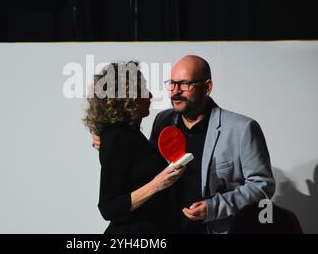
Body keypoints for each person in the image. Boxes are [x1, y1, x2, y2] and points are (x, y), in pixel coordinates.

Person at [93, 55, 276, 234]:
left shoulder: (241, 128)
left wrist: (214, 208)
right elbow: (141, 168)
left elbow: (262, 185)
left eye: (184, 84)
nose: (175, 91)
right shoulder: (162, 120)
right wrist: (107, 139)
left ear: (207, 87)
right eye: (172, 83)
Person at [84, 62, 185, 233]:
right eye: (145, 90)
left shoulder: (127, 134)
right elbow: (108, 207)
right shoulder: (117, 137)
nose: (151, 95)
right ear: (128, 97)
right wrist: (157, 184)